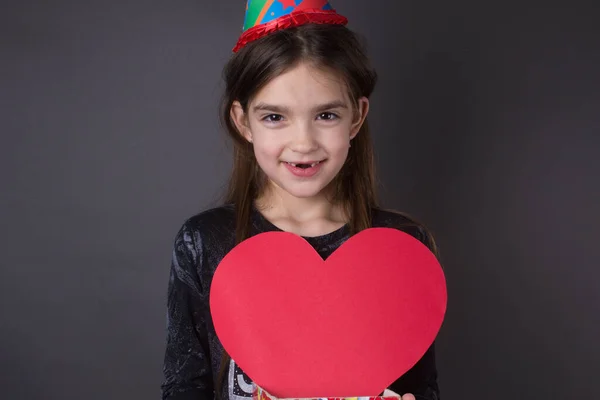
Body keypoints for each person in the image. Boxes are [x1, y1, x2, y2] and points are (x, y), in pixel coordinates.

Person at [161, 2, 441, 400]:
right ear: (243, 122)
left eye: (326, 115)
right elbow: (183, 388)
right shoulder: (205, 242)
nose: (304, 143)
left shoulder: (403, 247)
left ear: (356, 118)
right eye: (275, 117)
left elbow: (420, 387)